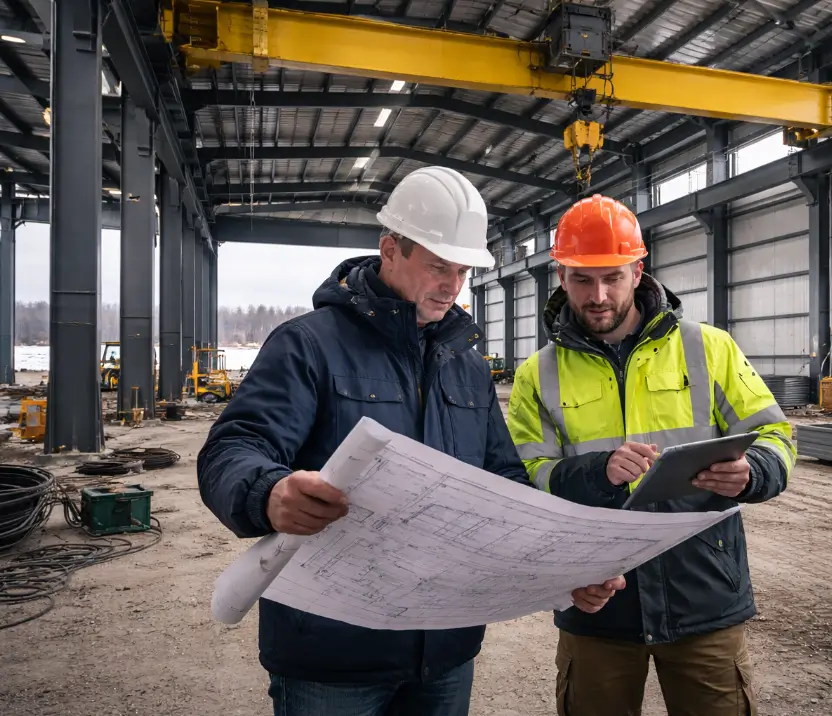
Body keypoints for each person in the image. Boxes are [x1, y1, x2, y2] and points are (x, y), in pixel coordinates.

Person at [197, 167, 625, 716]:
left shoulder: (465, 365)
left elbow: (504, 486)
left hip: (445, 646)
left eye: (462, 271)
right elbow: (232, 448)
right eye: (438, 266)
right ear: (390, 250)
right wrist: (270, 492)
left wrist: (568, 571)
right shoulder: (308, 346)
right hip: (331, 652)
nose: (452, 285)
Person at [506, 194, 797, 716]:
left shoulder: (709, 349)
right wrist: (596, 472)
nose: (598, 295)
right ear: (561, 276)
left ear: (639, 271)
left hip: (703, 596)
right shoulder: (538, 374)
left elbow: (775, 433)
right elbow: (526, 476)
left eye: (613, 277)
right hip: (597, 602)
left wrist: (753, 473)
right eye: (582, 280)